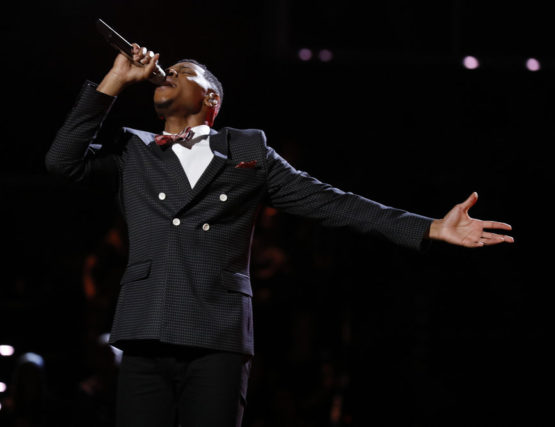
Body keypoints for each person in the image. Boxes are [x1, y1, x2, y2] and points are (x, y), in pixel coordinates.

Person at [45, 44, 513, 427]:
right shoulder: (135, 150)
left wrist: (430, 227)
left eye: (185, 71)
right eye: (171, 69)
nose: (170, 72)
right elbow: (62, 161)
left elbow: (333, 202)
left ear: (211, 98)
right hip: (147, 327)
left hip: (216, 335)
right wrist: (115, 79)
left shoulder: (247, 151)